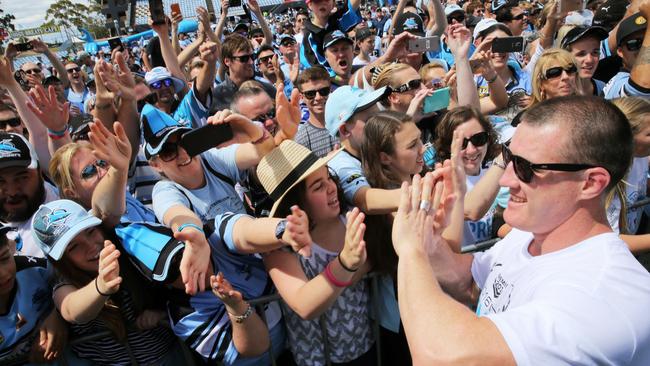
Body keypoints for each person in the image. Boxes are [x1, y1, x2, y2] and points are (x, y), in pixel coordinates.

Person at [392, 96, 650, 365]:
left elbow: (442, 357)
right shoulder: (530, 232)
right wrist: (430, 243)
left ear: (590, 183)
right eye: (508, 158)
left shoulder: (605, 294)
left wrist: (412, 252)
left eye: (527, 168)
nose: (506, 179)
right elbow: (471, 283)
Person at [256, 140, 375, 365]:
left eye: (329, 177)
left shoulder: (350, 216)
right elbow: (304, 305)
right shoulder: (278, 248)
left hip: (365, 347)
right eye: (318, 186)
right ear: (296, 202)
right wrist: (347, 265)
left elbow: (375, 257)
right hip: (317, 358)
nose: (331, 187)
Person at [434, 106, 505, 247]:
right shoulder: (441, 181)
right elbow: (470, 211)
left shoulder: (491, 171)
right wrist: (504, 158)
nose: (471, 150)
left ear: (488, 138)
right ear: (448, 147)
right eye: (462, 144)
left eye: (479, 139)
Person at [0, 224, 67, 365]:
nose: (3, 273)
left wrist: (59, 314)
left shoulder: (36, 270)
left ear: (11, 248)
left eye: (4, 258)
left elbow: (74, 280)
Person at [0, 132, 59, 257]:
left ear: (40, 174)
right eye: (0, 181)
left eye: (22, 178)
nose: (12, 192)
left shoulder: (65, 204)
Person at [212, 34, 276, 112]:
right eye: (244, 58)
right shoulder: (217, 96)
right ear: (227, 61)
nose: (251, 62)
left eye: (252, 56)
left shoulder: (268, 89)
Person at [293, 67, 339, 158]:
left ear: (330, 90)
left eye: (323, 91)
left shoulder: (347, 122)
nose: (318, 97)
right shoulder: (301, 138)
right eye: (310, 94)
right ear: (301, 97)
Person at [603, 9, 650, 99]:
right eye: (634, 43)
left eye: (646, 40)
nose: (643, 48)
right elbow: (640, 90)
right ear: (620, 52)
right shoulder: (618, 83)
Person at [560, 25, 609, 96]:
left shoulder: (604, 89)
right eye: (581, 54)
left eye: (595, 52)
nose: (589, 60)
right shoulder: (559, 93)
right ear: (566, 56)